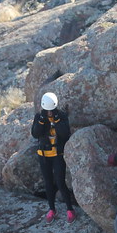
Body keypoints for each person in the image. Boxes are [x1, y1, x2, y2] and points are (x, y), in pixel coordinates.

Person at [32, 92, 75, 223]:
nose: (49, 113)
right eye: (47, 110)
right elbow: (35, 134)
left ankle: (70, 210)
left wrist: (56, 121)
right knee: (48, 183)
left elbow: (65, 134)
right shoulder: (39, 116)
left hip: (57, 155)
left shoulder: (61, 116)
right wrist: (41, 121)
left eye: (51, 110)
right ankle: (52, 209)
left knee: (60, 182)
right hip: (44, 155)